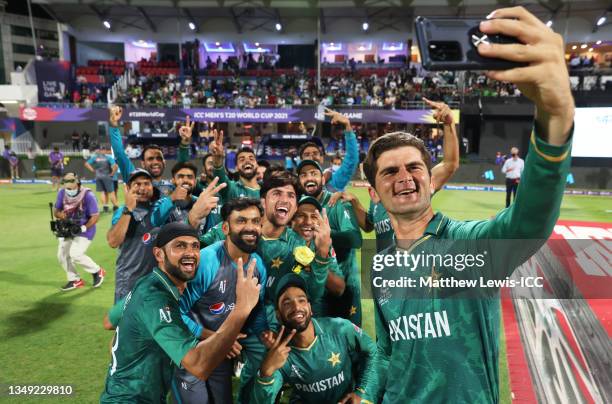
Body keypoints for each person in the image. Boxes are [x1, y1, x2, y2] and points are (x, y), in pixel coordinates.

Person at [361, 7, 575, 402]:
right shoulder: (381, 267)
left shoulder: (469, 247)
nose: (405, 177)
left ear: (431, 178)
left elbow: (530, 219)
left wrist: (555, 115)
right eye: (390, 172)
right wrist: (366, 394)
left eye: (414, 167)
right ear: (373, 192)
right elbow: (388, 351)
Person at [100, 222, 262, 403]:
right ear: (158, 254)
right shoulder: (156, 298)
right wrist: (241, 309)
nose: (190, 253)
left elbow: (109, 321)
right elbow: (199, 365)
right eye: (180, 246)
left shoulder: (148, 283)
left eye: (195, 246)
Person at [333, 98, 460, 253]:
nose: (403, 176)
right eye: (389, 170)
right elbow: (369, 225)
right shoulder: (378, 195)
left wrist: (448, 124)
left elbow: (450, 164)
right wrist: (354, 202)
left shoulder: (415, 184)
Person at [173, 198, 269, 404]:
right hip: (188, 351)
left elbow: (258, 309)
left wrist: (262, 336)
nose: (250, 228)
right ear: (225, 227)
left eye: (255, 222)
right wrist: (217, 337)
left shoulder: (258, 265)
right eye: (241, 221)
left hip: (220, 353)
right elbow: (174, 312)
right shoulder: (206, 262)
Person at [251, 274, 378, 404]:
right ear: (278, 316)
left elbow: (373, 352)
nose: (296, 307)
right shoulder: (278, 354)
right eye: (287, 303)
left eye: (301, 300)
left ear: (310, 308)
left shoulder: (340, 328)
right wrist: (266, 372)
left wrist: (361, 392)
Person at [296, 159, 363, 325]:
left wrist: (323, 234)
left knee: (347, 340)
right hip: (316, 287)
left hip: (344, 285)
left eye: (314, 174)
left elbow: (355, 239)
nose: (309, 178)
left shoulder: (336, 203)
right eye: (303, 175)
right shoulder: (298, 207)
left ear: (323, 179)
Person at [108, 106, 190, 196]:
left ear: (164, 162)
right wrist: (113, 126)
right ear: (143, 163)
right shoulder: (135, 181)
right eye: (150, 159)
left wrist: (185, 143)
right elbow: (119, 154)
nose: (155, 162)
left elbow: (183, 166)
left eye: (159, 158)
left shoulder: (172, 187)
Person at [107, 169, 159, 302]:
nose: (142, 188)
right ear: (128, 188)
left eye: (146, 183)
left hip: (154, 283)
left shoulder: (157, 209)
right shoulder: (122, 212)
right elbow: (113, 241)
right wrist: (128, 209)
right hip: (129, 283)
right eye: (137, 184)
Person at [291, 196, 345, 316]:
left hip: (319, 319)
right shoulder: (284, 243)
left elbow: (339, 288)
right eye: (301, 216)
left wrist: (319, 258)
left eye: (314, 217)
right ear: (292, 221)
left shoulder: (325, 245)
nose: (308, 222)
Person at [53, 173, 105, 291]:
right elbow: (56, 211)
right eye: (67, 187)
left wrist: (83, 228)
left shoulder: (88, 195)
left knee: (75, 254)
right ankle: (75, 280)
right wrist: (62, 216)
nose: (69, 190)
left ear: (78, 183)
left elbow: (95, 216)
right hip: (68, 228)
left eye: (72, 187)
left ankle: (97, 271)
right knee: (62, 255)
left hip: (85, 229)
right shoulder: (62, 193)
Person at [151, 162, 225, 236]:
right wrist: (172, 198)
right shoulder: (162, 202)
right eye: (181, 176)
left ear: (195, 182)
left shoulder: (201, 203)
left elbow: (210, 232)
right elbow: (154, 222)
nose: (185, 180)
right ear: (173, 180)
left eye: (190, 177)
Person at [298, 108, 359, 192]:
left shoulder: (333, 180)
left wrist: (347, 126)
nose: (311, 156)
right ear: (301, 160)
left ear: (322, 158)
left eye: (315, 153)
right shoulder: (295, 186)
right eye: (307, 154)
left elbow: (351, 160)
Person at [209, 129, 260, 202]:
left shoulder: (266, 190)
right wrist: (218, 160)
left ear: (257, 165)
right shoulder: (231, 188)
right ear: (236, 168)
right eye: (242, 159)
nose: (247, 161)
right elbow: (220, 176)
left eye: (251, 159)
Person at [85, 146, 119, 213]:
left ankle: (105, 206)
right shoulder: (108, 158)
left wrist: (92, 170)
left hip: (98, 176)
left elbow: (86, 164)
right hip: (107, 176)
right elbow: (115, 166)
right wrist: (112, 173)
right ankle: (115, 206)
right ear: (105, 151)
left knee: (102, 192)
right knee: (111, 192)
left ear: (100, 150)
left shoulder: (95, 157)